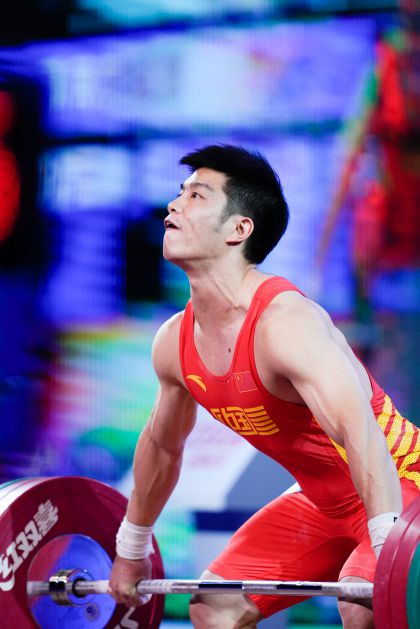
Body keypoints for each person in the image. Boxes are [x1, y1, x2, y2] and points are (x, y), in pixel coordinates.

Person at [110, 144, 419, 629]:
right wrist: (131, 548)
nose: (173, 205)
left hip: (402, 485)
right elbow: (162, 447)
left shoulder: (286, 323)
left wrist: (388, 543)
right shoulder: (173, 342)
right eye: (179, 193)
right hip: (321, 502)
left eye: (196, 196)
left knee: (363, 604)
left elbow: (359, 430)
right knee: (214, 608)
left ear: (239, 229)